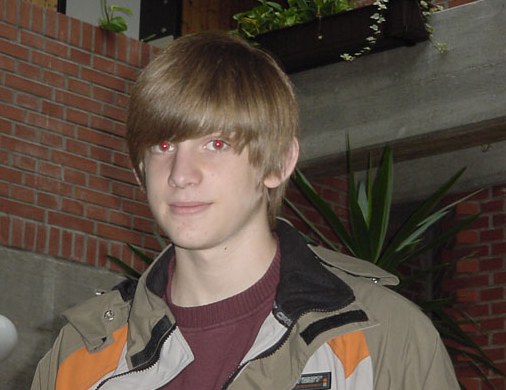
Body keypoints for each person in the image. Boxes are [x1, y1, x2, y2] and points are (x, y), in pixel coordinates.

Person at [31, 32, 459, 390]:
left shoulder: (385, 339)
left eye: (216, 144)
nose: (181, 174)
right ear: (138, 168)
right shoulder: (80, 355)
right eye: (163, 146)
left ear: (278, 163)